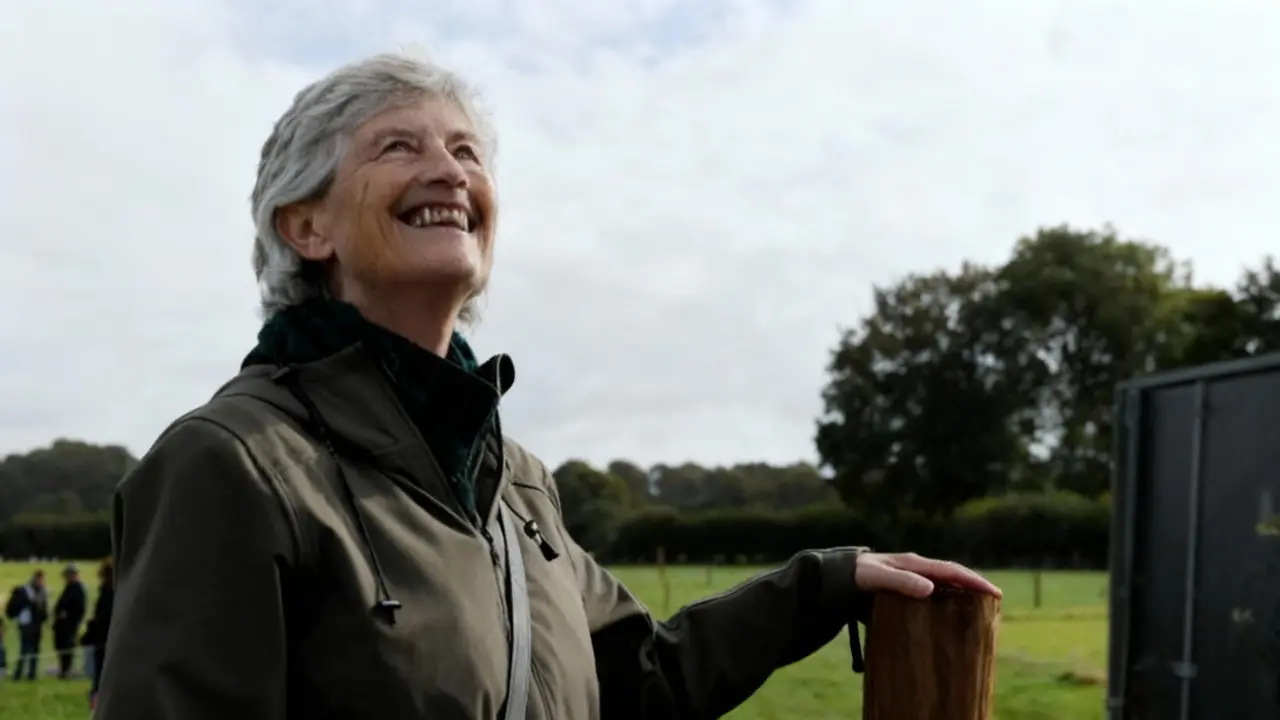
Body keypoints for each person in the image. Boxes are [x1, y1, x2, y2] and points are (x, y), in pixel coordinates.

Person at [96, 51, 1001, 719]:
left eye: (467, 152)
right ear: (305, 225)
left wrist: (825, 584)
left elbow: (638, 683)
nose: (450, 171)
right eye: (399, 147)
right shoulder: (234, 464)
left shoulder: (516, 481)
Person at [80, 559, 114, 710]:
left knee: (100, 679)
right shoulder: (120, 591)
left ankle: (97, 709)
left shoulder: (107, 594)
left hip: (104, 642)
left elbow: (102, 619)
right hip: (111, 642)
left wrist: (88, 635)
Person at [7, 570, 47, 681]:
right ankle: (19, 673)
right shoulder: (24, 591)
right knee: (24, 649)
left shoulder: (42, 592)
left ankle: (32, 674)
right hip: (26, 623)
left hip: (37, 625)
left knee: (35, 650)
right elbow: (15, 606)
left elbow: (44, 609)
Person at [52, 562, 87, 679]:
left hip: (69, 625)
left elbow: (79, 609)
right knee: (61, 647)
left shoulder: (78, 589)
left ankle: (66, 670)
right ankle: (63, 669)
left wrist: (67, 615)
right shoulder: (68, 588)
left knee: (67, 647)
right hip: (61, 626)